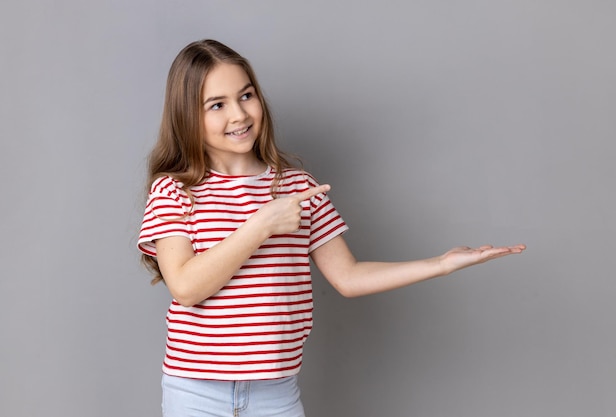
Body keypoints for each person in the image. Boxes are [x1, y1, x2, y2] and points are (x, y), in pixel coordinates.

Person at [137, 39, 526, 417]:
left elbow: (348, 277)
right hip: (196, 391)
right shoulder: (175, 190)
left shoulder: (297, 187)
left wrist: (440, 264)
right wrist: (261, 225)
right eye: (216, 105)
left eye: (246, 95)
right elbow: (186, 287)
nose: (238, 114)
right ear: (188, 115)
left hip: (276, 393)